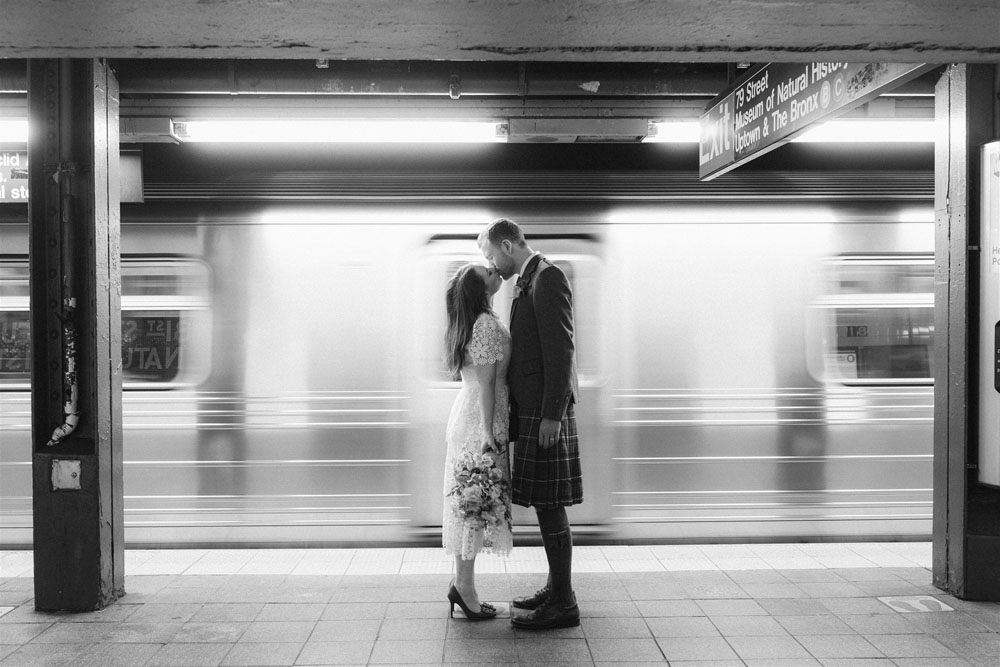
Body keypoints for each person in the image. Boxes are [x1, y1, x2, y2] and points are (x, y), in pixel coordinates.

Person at [478, 218, 583, 630]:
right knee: (545, 505)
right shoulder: (531, 280)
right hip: (536, 410)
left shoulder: (548, 277)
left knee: (550, 505)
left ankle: (563, 603)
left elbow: (562, 351)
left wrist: (552, 414)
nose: (491, 265)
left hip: (546, 411)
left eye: (490, 255)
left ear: (507, 245)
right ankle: (558, 589)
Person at [442, 263, 513, 620]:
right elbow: (487, 383)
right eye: (487, 271)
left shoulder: (480, 320)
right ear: (480, 288)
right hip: (479, 421)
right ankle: (465, 590)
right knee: (474, 505)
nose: (494, 270)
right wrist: (488, 432)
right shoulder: (484, 323)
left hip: (473, 415)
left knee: (471, 506)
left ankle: (462, 586)